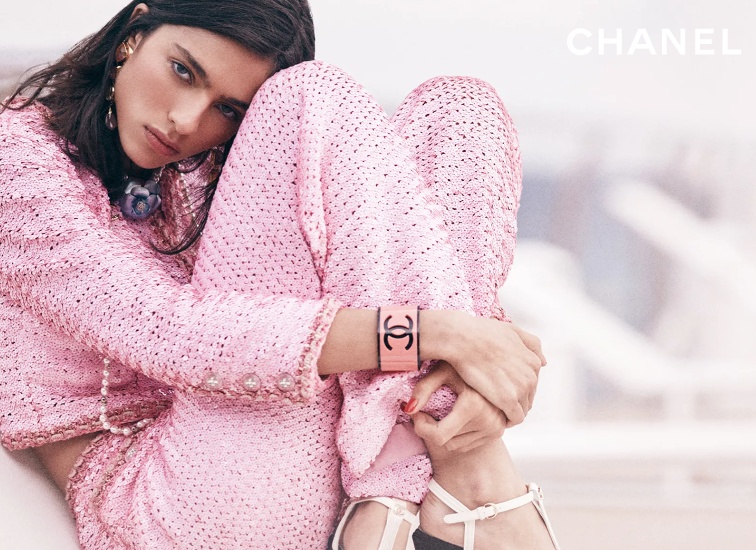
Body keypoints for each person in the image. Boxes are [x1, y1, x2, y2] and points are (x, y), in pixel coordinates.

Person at [0, 1, 560, 549]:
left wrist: (471, 353)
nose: (187, 121)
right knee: (308, 95)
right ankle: (469, 472)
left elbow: (390, 249)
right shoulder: (18, 156)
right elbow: (168, 331)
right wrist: (437, 334)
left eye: (228, 110)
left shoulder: (198, 168)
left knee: (460, 111)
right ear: (133, 33)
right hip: (176, 502)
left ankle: (402, 488)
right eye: (183, 71)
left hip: (306, 444)